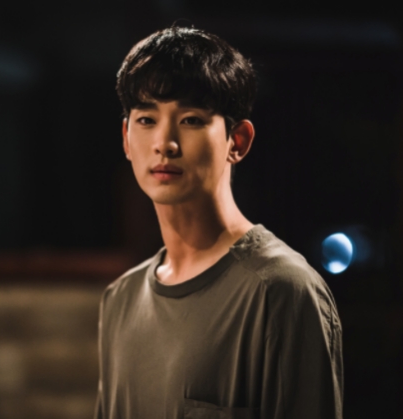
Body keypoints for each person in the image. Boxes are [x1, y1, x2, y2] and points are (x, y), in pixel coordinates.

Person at [94, 25, 343, 419]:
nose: (165, 143)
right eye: (146, 120)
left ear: (237, 141)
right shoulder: (120, 299)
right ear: (126, 138)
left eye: (191, 119)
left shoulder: (280, 290)